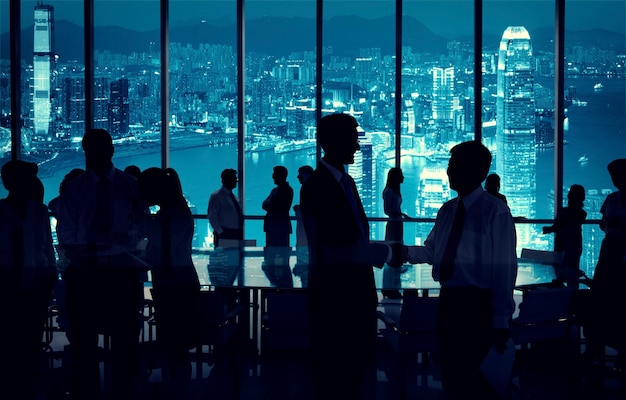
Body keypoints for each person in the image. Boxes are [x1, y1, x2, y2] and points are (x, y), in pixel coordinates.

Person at [402, 141, 518, 399]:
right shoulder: (447, 210)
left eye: (454, 165)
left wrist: (500, 320)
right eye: (449, 165)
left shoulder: (495, 212)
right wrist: (404, 253)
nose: (449, 171)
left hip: (479, 307)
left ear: (476, 171)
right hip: (449, 303)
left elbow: (503, 270)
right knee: (452, 372)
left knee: (477, 379)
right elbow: (433, 251)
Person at [300, 113, 396, 400]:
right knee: (338, 377)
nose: (357, 146)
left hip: (354, 294)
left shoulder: (345, 182)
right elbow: (337, 246)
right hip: (336, 297)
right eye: (353, 139)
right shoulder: (318, 186)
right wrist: (390, 252)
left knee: (355, 373)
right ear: (335, 142)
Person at [56, 128, 145, 399]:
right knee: (84, 342)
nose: (96, 154)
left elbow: (142, 227)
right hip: (87, 274)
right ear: (85, 151)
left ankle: (123, 392)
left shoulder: (131, 186)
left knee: (125, 340)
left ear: (111, 150)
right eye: (91, 149)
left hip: (121, 272)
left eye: (101, 148)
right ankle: (89, 393)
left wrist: (102, 241)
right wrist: (112, 240)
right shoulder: (74, 189)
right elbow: (66, 235)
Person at [137, 167, 200, 399]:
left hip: (175, 280)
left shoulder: (175, 214)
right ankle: (178, 387)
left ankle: (177, 388)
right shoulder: (174, 211)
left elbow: (164, 244)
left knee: (176, 339)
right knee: (176, 341)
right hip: (176, 278)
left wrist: (141, 219)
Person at [0, 160, 56, 400]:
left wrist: (50, 275)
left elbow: (47, 247)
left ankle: (25, 388)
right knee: (12, 340)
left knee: (29, 340)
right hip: (7, 286)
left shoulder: (39, 211)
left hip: (35, 285)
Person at [588, 159, 626, 367]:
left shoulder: (613, 199)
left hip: (619, 248)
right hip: (610, 248)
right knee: (602, 293)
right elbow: (603, 223)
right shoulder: (611, 199)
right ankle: (600, 343)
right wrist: (608, 224)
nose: (615, 180)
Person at [542, 184, 587, 286]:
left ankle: (562, 295)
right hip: (572, 245)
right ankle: (571, 296)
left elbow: (557, 226)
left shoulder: (566, 212)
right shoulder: (581, 213)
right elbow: (562, 227)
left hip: (564, 244)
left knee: (560, 272)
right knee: (571, 272)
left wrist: (551, 229)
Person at [382, 167, 410, 299]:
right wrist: (402, 214)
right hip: (394, 224)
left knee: (396, 253)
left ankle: (394, 288)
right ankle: (390, 289)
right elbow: (387, 211)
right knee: (394, 254)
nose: (403, 178)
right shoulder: (389, 192)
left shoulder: (394, 191)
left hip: (398, 223)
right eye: (401, 176)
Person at [262, 165, 294, 267]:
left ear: (280, 175)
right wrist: (271, 204)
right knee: (273, 255)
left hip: (279, 228)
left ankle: (280, 276)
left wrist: (270, 203)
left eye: (274, 174)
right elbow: (265, 204)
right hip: (273, 228)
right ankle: (276, 274)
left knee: (279, 255)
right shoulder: (276, 190)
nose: (272, 176)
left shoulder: (286, 190)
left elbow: (272, 205)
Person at [207, 168, 243, 248]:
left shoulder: (234, 197)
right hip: (225, 234)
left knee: (234, 257)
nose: (236, 181)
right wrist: (220, 232)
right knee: (224, 257)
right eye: (234, 178)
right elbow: (212, 215)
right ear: (227, 180)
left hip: (235, 233)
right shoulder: (217, 196)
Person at [293, 165, 314, 285]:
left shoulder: (308, 188)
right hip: (306, 234)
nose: (298, 177)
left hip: (305, 234)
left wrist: (298, 209)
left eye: (300, 174)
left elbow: (309, 210)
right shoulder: (310, 188)